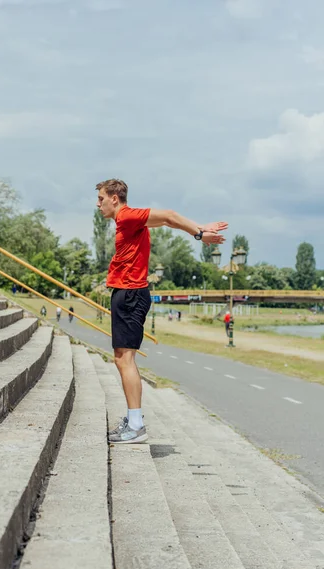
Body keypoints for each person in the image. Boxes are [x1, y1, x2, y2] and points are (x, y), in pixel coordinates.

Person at [96, 178, 227, 444]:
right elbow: (168, 221)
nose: (98, 205)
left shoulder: (128, 216)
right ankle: (133, 421)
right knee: (122, 358)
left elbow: (168, 215)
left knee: (125, 360)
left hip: (131, 294)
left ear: (114, 198)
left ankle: (135, 425)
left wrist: (199, 234)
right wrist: (199, 228)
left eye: (100, 199)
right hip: (128, 293)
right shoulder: (130, 221)